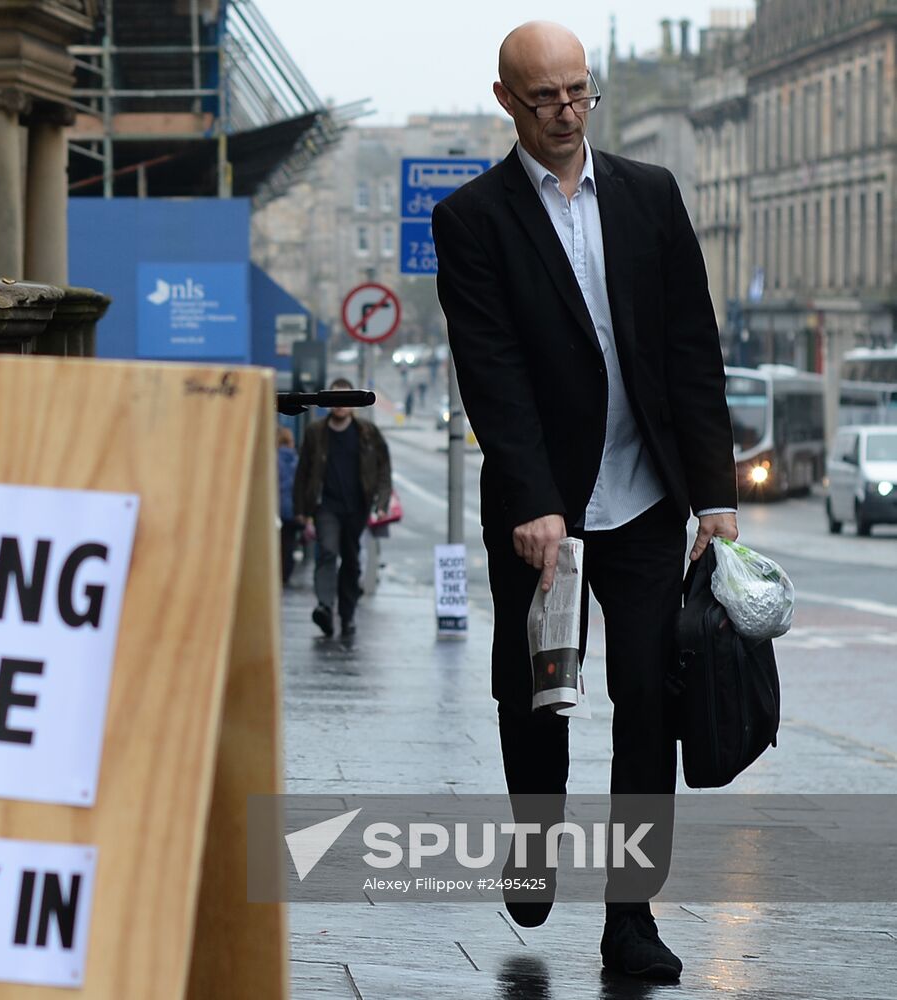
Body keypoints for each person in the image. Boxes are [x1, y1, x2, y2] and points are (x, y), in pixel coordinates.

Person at [432, 21, 738, 982]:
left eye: (579, 94)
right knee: (536, 699)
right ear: (505, 101)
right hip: (544, 517)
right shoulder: (473, 220)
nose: (566, 113)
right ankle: (534, 835)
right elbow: (492, 368)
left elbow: (692, 347)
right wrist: (531, 497)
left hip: (645, 498)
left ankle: (631, 919)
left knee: (649, 700)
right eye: (544, 99)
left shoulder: (649, 196)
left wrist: (715, 499)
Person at [293, 377, 392, 638]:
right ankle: (325, 607)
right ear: (327, 403)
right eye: (334, 399)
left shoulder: (367, 432)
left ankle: (347, 616)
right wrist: (301, 508)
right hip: (326, 505)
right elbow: (303, 471)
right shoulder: (316, 432)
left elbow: (383, 468)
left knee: (351, 560)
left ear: (353, 404)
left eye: (345, 399)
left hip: (357, 506)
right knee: (326, 551)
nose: (340, 405)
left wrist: (382, 502)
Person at [276, 425, 300, 587]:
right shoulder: (296, 460)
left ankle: (276, 572)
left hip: (277, 509)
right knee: (289, 543)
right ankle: (285, 575)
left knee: (277, 542)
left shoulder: (273, 458)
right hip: (293, 510)